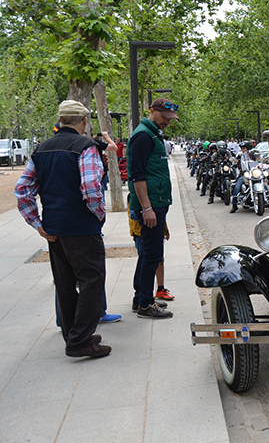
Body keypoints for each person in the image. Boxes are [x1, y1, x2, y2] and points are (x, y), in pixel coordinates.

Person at [15, 100, 111, 358]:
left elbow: (23, 191)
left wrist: (37, 224)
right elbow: (91, 188)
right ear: (83, 122)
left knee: (65, 283)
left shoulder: (41, 148)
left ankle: (74, 334)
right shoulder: (85, 146)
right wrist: (99, 215)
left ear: (60, 120)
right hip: (81, 227)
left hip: (54, 228)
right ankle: (80, 341)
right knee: (92, 281)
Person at [127, 97, 178, 319]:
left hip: (156, 202)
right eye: (164, 117)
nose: (167, 121)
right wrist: (147, 208)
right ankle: (146, 304)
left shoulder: (152, 133)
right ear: (152, 111)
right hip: (151, 205)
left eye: (170, 118)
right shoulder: (143, 136)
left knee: (148, 252)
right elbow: (137, 175)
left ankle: (140, 298)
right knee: (152, 254)